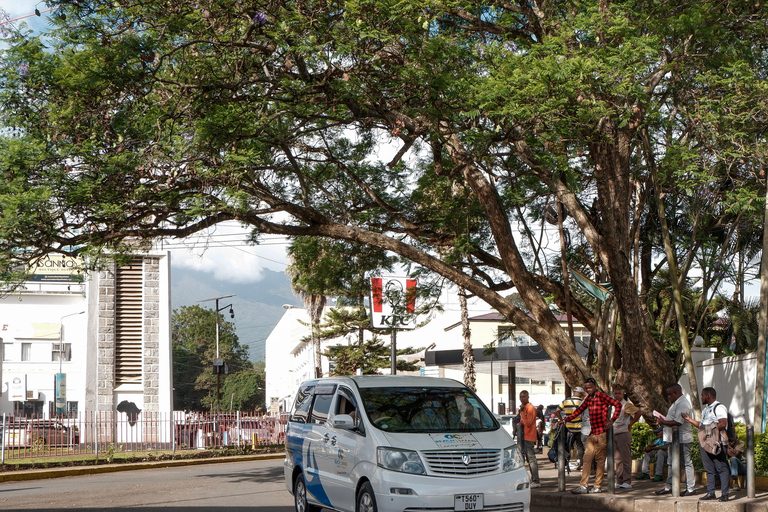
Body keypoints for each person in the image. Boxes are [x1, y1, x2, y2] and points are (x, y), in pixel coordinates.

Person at [558, 377, 622, 494]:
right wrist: (565, 420)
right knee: (587, 459)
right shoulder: (588, 399)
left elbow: (618, 405)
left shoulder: (601, 396)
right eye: (586, 388)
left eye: (590, 387)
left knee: (600, 461)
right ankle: (584, 485)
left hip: (601, 433)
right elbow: (578, 411)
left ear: (595, 386)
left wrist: (612, 420)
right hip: (592, 433)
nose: (588, 389)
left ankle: (597, 486)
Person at [681, 387, 731, 502]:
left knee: (721, 468)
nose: (702, 397)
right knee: (709, 468)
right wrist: (689, 419)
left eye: (703, 395)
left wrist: (709, 431)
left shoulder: (719, 407)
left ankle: (725, 494)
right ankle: (710, 492)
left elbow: (723, 423)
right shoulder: (705, 410)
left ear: (709, 395)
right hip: (705, 442)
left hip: (716, 442)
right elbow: (701, 425)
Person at [654, 383, 695, 496]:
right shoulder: (675, 403)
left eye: (669, 394)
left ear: (676, 393)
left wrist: (663, 422)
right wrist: (663, 419)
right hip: (673, 437)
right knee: (671, 462)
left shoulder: (683, 404)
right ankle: (669, 486)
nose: (668, 397)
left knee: (686, 463)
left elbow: (678, 422)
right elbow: (672, 419)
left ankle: (690, 488)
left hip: (682, 438)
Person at [612, 383, 642, 489]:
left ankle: (627, 481)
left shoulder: (626, 405)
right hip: (614, 433)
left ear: (623, 394)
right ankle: (619, 480)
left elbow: (638, 412)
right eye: (615, 393)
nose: (617, 395)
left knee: (625, 458)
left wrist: (631, 423)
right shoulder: (613, 405)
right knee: (617, 459)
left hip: (623, 433)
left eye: (619, 394)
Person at [556, 387, 586, 470]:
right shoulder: (582, 402)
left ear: (574, 392)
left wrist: (561, 420)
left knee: (567, 446)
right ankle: (581, 464)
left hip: (569, 428)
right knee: (580, 447)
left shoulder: (565, 401)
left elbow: (557, 411)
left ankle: (564, 464)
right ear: (580, 393)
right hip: (580, 428)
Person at [519, 390, 541, 488]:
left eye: (524, 397)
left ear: (528, 397)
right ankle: (533, 479)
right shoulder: (525, 408)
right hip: (524, 436)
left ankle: (536, 480)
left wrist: (522, 413)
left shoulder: (530, 408)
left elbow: (528, 423)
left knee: (531, 459)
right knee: (528, 458)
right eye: (520, 397)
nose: (522, 398)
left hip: (529, 436)